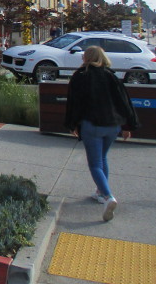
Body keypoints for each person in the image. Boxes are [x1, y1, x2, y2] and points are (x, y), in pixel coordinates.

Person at [64, 46, 139, 222]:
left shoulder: (80, 76)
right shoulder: (111, 75)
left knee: (95, 164)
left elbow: (74, 103)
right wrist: (128, 125)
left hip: (91, 125)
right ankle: (99, 192)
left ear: (86, 58)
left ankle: (108, 196)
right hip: (113, 125)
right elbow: (123, 101)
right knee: (103, 157)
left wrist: (72, 124)